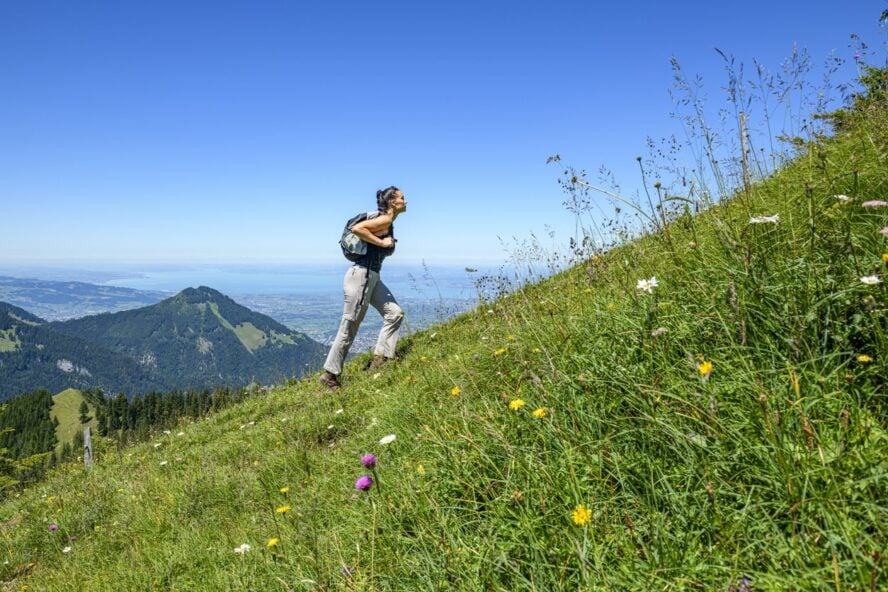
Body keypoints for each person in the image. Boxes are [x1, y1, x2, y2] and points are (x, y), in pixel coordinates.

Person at [319, 186, 407, 390]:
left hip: (371, 276)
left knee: (394, 313)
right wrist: (382, 243)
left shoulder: (388, 222)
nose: (406, 201)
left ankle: (381, 360)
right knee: (350, 324)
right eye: (403, 198)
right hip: (361, 276)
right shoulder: (384, 219)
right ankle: (330, 375)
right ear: (393, 202)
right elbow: (357, 229)